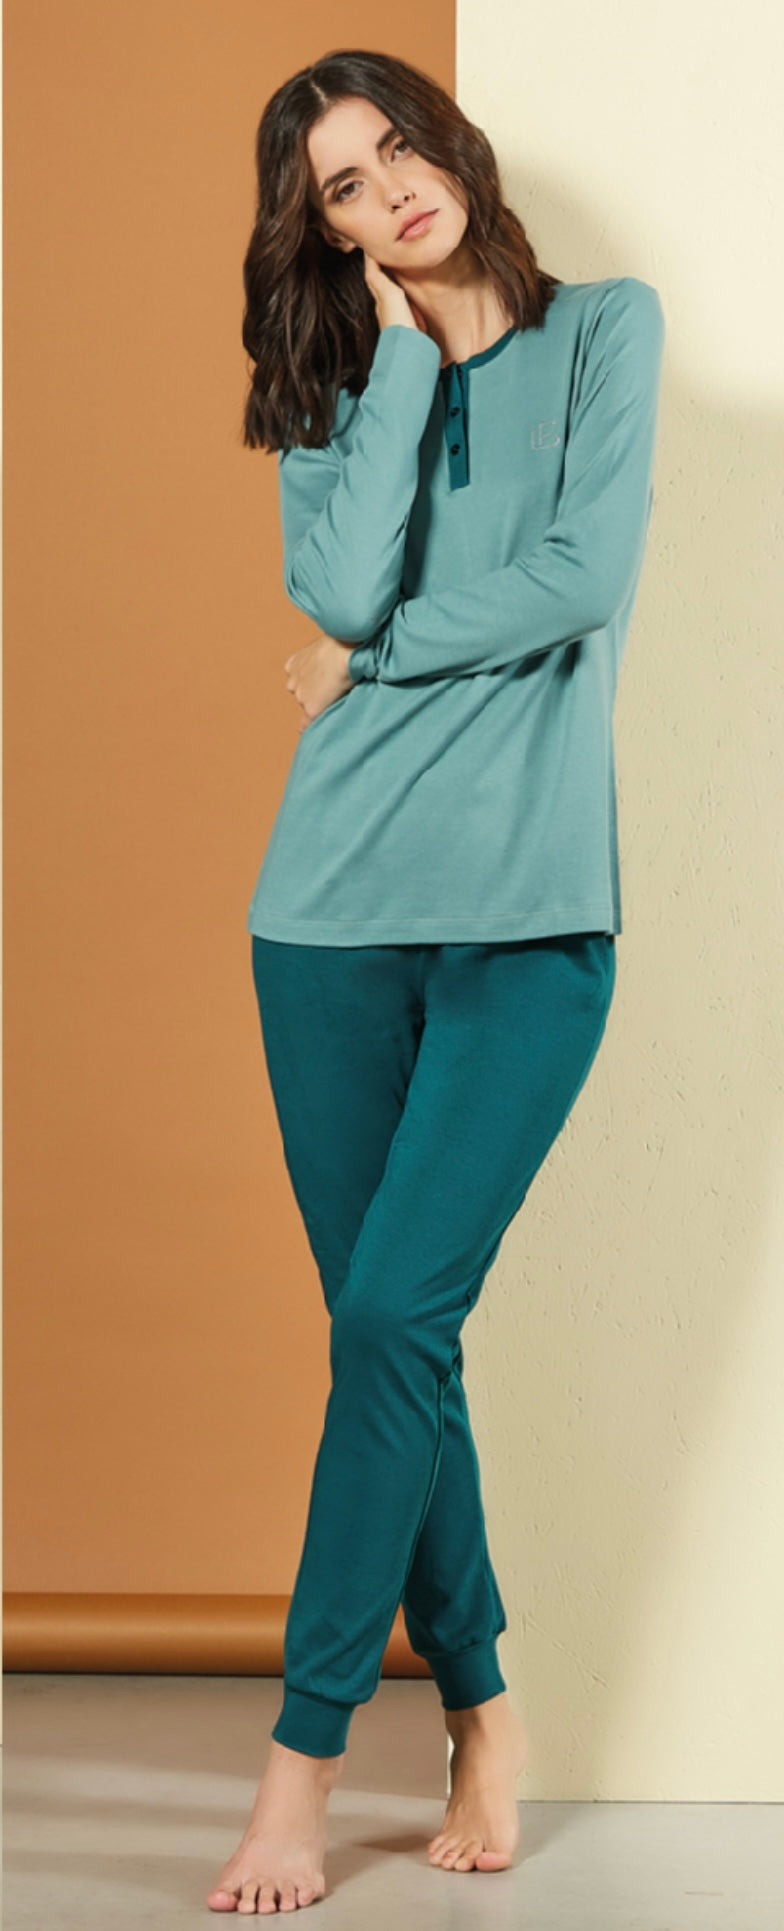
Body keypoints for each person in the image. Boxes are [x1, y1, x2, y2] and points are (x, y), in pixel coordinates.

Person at [208, 47, 665, 1917]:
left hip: (530, 920)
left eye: (396, 144)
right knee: (394, 1338)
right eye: (343, 184)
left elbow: (578, 577)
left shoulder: (607, 333)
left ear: (449, 144)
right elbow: (333, 591)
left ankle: (302, 1767)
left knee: (397, 1310)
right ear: (326, 233)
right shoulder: (345, 389)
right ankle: (482, 1706)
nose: (389, 184)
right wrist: (399, 364)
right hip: (326, 917)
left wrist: (380, 664)